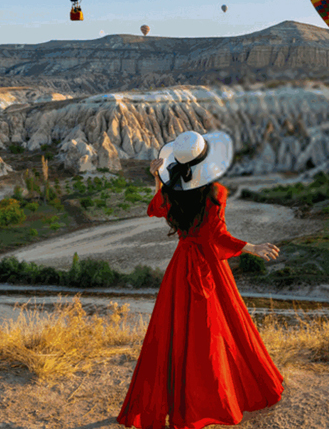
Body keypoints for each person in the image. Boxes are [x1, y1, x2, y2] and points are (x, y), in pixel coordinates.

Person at [117, 130, 284, 429]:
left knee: (175, 332)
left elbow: (157, 208)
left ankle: (180, 400)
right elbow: (214, 236)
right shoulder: (216, 192)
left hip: (180, 266)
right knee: (216, 330)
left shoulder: (172, 189)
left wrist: (160, 179)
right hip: (207, 268)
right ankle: (213, 398)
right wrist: (252, 248)